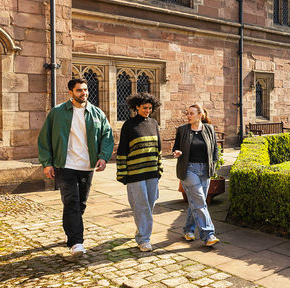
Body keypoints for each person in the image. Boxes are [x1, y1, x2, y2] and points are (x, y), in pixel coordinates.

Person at [37, 78, 114, 259]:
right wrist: (46, 163)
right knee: (71, 201)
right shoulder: (57, 112)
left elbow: (107, 136)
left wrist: (103, 157)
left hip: (87, 166)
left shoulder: (97, 113)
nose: (84, 93)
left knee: (80, 203)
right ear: (70, 92)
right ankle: (77, 242)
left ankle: (71, 231)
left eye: (85, 90)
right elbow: (44, 138)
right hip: (65, 165)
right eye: (79, 90)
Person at [116, 92, 163, 252]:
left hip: (151, 173)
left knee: (150, 204)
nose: (147, 111)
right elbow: (122, 151)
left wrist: (159, 169)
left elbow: (159, 149)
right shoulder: (129, 125)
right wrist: (123, 174)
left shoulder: (154, 123)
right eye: (144, 108)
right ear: (136, 107)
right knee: (141, 206)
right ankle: (144, 239)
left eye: (150, 108)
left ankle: (141, 230)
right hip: (135, 174)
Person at [173, 104, 220, 246]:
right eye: (187, 113)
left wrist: (214, 166)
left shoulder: (209, 129)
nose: (188, 116)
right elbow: (176, 147)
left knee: (198, 202)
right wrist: (177, 152)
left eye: (191, 113)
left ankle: (188, 230)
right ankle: (208, 234)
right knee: (199, 201)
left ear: (200, 115)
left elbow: (215, 149)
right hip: (189, 169)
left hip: (205, 169)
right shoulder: (182, 130)